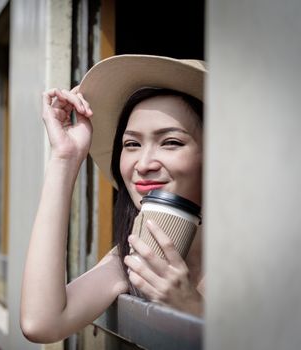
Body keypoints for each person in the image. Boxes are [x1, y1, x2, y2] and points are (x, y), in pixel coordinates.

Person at [20, 55, 206, 343]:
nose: (143, 164)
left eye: (171, 142)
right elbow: (40, 323)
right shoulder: (133, 255)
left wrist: (191, 306)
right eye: (131, 144)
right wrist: (65, 158)